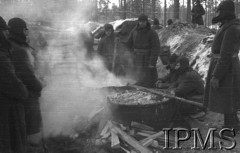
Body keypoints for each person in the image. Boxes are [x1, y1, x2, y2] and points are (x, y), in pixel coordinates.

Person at [203, 0, 240, 135]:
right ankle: (233, 124)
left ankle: (230, 129)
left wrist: (216, 75)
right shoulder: (227, 26)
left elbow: (226, 55)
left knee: (227, 97)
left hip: (226, 67)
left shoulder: (231, 28)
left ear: (225, 12)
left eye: (219, 11)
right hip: (226, 65)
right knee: (228, 97)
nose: (217, 13)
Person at [8, 17, 43, 146]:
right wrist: (40, 85)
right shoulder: (18, 49)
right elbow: (26, 76)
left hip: (15, 95)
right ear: (21, 30)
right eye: (25, 30)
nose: (27, 33)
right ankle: (32, 146)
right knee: (29, 128)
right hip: (25, 96)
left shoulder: (10, 45)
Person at [0, 16, 28, 153]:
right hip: (6, 110)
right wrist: (24, 91)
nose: (7, 34)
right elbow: (13, 85)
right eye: (4, 31)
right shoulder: (1, 57)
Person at [124, 14, 160, 88]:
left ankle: (151, 89)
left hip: (147, 57)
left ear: (147, 22)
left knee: (149, 76)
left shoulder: (152, 33)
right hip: (137, 57)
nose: (141, 23)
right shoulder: (134, 31)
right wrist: (120, 42)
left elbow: (156, 48)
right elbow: (128, 43)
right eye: (140, 21)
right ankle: (140, 86)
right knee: (139, 75)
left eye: (143, 21)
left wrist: (152, 62)